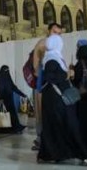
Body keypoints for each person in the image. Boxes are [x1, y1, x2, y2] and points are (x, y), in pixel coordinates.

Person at [37, 34, 87, 166]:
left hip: (55, 98)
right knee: (70, 125)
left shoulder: (52, 58)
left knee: (54, 126)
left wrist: (67, 75)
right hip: (58, 99)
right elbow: (50, 77)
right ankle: (85, 156)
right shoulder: (52, 60)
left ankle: (48, 154)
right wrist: (66, 75)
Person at [32, 22, 62, 150]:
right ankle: (41, 139)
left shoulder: (57, 46)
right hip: (43, 84)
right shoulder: (42, 44)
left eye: (59, 33)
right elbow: (36, 67)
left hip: (55, 84)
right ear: (48, 31)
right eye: (55, 32)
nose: (57, 35)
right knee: (41, 111)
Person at [0, 65, 27, 134]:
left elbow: (14, 88)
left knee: (8, 115)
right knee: (1, 115)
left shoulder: (6, 79)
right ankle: (13, 128)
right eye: (6, 70)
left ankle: (15, 128)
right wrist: (1, 99)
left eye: (8, 70)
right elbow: (1, 90)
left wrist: (23, 95)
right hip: (3, 100)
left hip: (6, 99)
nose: (7, 72)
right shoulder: (0, 80)